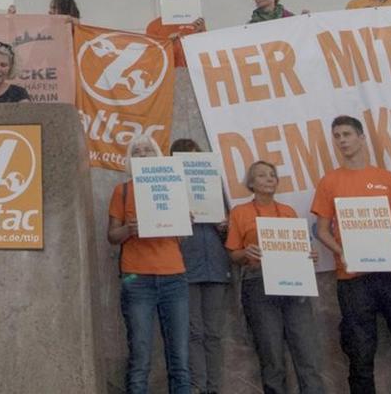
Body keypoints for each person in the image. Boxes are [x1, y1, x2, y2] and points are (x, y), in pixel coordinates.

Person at [309, 116, 391, 394]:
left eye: (347, 134)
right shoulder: (329, 181)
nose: (342, 140)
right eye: (337, 136)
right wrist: (343, 252)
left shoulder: (385, 178)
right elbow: (322, 230)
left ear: (361, 137)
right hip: (354, 280)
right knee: (359, 357)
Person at [226, 161, 326, 394]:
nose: (269, 178)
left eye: (272, 175)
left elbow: (300, 249)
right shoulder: (240, 212)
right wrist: (245, 253)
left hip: (294, 283)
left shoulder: (289, 212)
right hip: (258, 283)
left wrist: (309, 254)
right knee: (272, 357)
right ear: (251, 183)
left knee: (307, 354)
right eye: (262, 175)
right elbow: (232, 253)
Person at [108, 136, 190, 394]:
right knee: (140, 355)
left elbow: (181, 236)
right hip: (137, 279)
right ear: (130, 159)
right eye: (137, 151)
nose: (143, 154)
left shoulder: (175, 187)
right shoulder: (121, 191)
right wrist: (129, 230)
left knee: (180, 357)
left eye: (148, 150)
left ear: (158, 155)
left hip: (174, 276)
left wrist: (184, 220)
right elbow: (112, 236)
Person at [170, 139, 230, 394]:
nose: (191, 163)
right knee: (193, 332)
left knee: (214, 333)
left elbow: (232, 231)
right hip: (184, 266)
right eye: (184, 159)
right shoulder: (169, 186)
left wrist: (226, 226)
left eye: (194, 157)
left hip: (216, 266)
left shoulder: (214, 184)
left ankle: (214, 387)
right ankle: (197, 386)